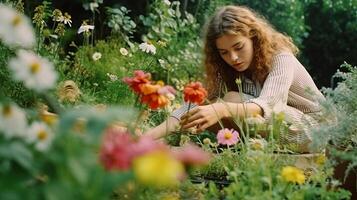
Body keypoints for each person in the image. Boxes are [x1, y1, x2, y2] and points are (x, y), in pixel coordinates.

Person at [144, 5, 325, 153]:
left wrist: (222, 109)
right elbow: (195, 104)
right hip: (276, 131)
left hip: (316, 132)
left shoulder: (281, 57)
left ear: (254, 37)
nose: (233, 58)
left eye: (238, 47)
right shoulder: (229, 68)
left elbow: (269, 105)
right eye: (224, 52)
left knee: (230, 100)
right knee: (210, 104)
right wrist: (146, 137)